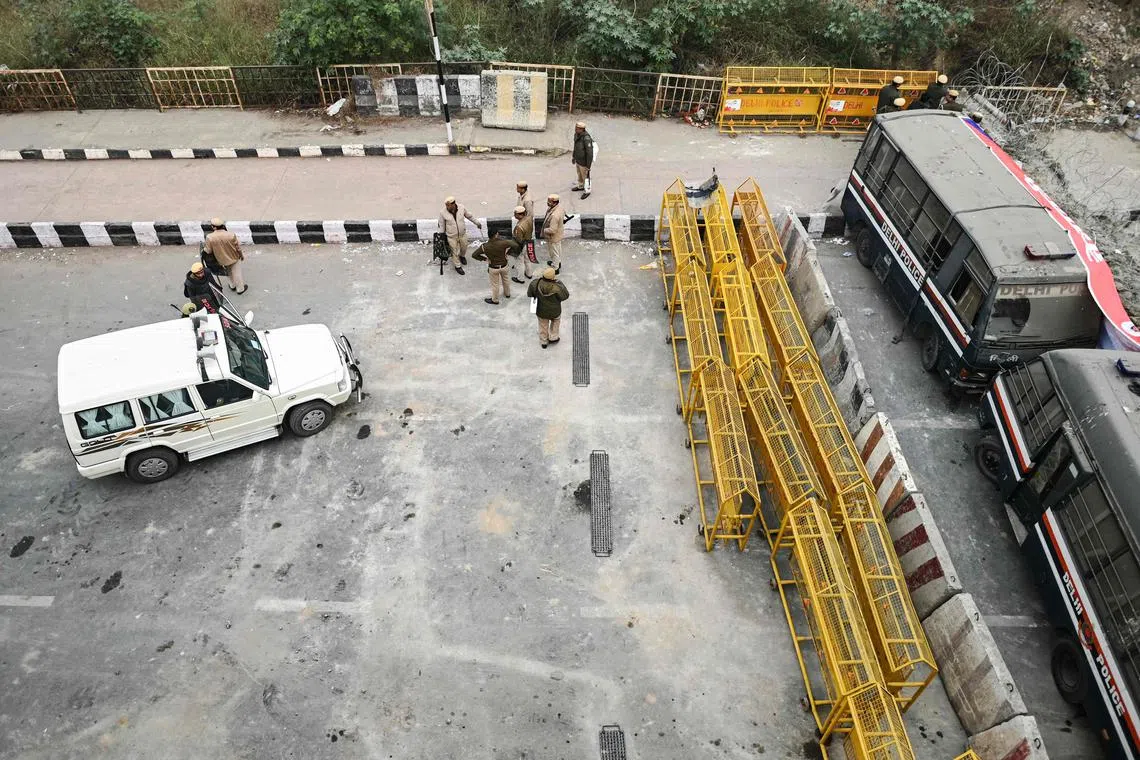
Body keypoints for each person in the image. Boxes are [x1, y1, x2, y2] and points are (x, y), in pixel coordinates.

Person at [437, 196, 483, 276]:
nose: (447, 207)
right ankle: (457, 266)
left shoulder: (461, 208)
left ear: (453, 204)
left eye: (449, 205)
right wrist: (441, 236)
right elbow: (441, 225)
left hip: (462, 234)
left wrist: (477, 223)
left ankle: (462, 256)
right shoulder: (442, 213)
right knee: (454, 251)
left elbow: (469, 216)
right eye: (446, 205)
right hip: (451, 236)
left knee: (464, 247)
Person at [527, 268, 570, 349]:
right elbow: (565, 296)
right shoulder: (557, 287)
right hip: (555, 310)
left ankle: (544, 341)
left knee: (543, 325)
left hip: (541, 310)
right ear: (553, 277)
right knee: (555, 322)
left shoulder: (535, 283)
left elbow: (530, 294)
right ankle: (553, 337)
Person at [471, 232, 518, 305]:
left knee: (495, 285)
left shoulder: (484, 246)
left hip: (493, 268)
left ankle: (495, 300)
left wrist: (484, 259)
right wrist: (507, 252)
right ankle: (507, 294)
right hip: (504, 266)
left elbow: (474, 255)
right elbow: (515, 245)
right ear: (496, 234)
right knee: (506, 280)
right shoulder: (504, 243)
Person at [203, 217, 247, 294]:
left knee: (228, 272)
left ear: (214, 227)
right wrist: (241, 256)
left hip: (221, 259)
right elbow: (238, 248)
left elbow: (208, 251)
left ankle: (232, 285)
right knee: (237, 273)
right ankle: (240, 289)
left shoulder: (210, 237)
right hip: (234, 257)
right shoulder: (231, 235)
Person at [510, 205, 535, 284]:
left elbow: (518, 240)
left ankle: (520, 278)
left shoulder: (519, 227)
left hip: (522, 245)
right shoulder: (529, 218)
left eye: (515, 214)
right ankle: (529, 274)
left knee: (520, 262)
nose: (514, 215)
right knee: (527, 260)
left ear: (520, 214)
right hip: (529, 242)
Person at [541, 193, 566, 274]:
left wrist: (544, 230)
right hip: (559, 233)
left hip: (553, 237)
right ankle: (558, 263)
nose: (548, 203)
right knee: (558, 249)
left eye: (550, 202)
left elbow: (552, 230)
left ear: (555, 202)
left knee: (554, 252)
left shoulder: (555, 215)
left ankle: (555, 268)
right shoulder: (560, 208)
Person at [571, 121, 594, 200]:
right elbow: (575, 147)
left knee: (585, 177)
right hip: (578, 160)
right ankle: (580, 186)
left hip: (584, 162)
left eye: (577, 128)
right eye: (575, 128)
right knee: (579, 174)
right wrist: (574, 157)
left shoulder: (586, 138)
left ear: (582, 129)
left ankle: (587, 191)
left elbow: (590, 153)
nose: (575, 129)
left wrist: (588, 166)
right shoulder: (577, 135)